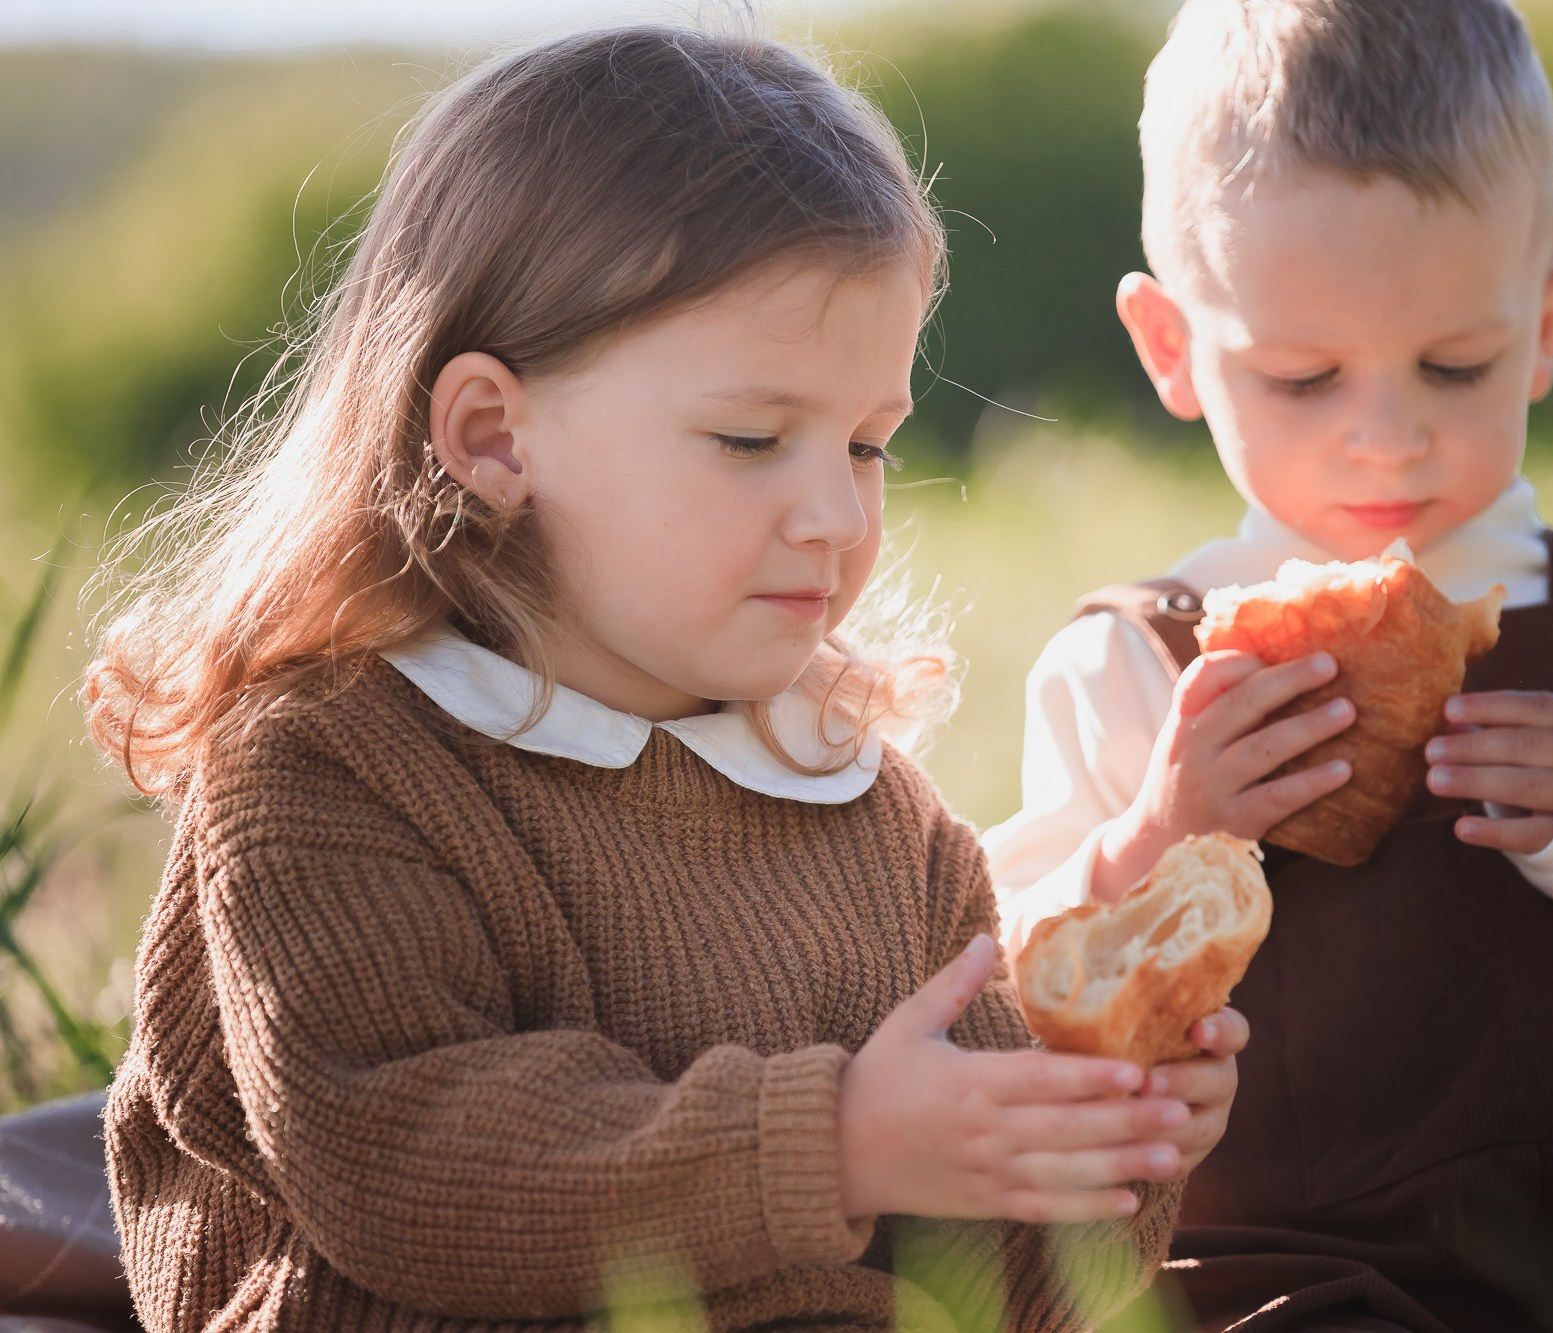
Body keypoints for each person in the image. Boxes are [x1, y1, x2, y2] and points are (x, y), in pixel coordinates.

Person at [85, 25, 1245, 1332]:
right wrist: (840, 1142)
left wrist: (1100, 1139)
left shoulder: (872, 812)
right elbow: (410, 1163)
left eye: (866, 445)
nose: (834, 513)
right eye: (752, 437)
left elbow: (978, 1293)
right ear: (493, 436)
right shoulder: (329, 766)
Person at [982, 1, 1553, 1329]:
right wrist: (1159, 835)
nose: (1387, 441)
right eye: (1305, 378)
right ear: (1173, 348)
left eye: (1454, 364)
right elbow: (1021, 1015)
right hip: (1278, 1285)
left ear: (1544, 322)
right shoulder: (1134, 666)